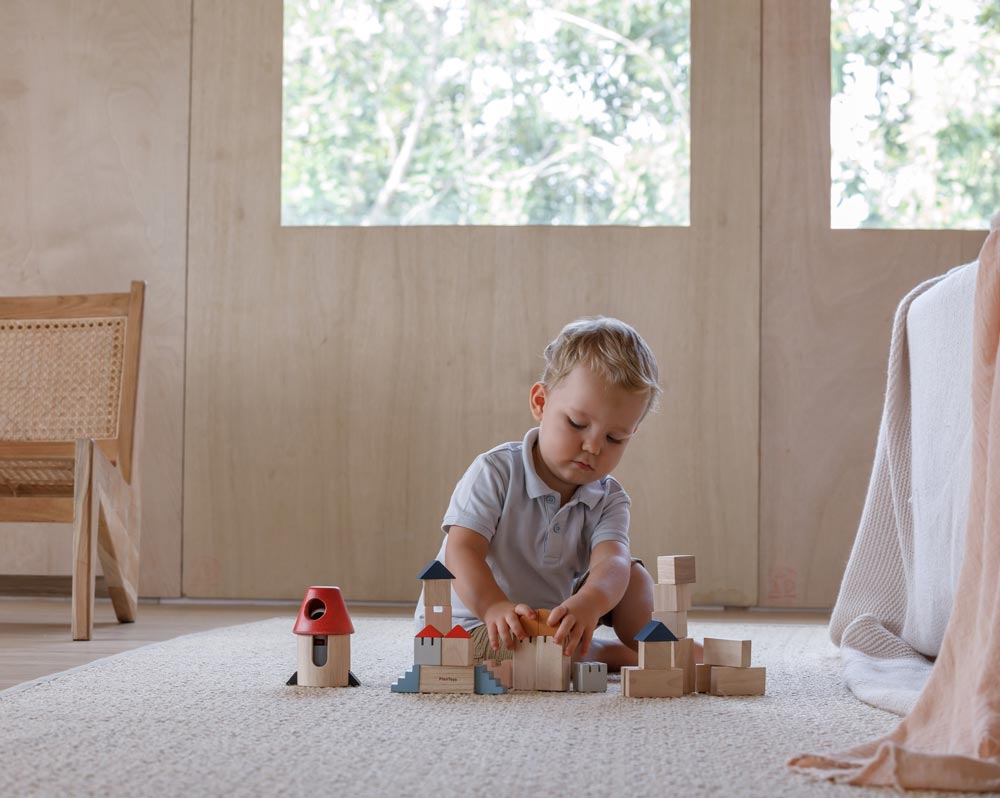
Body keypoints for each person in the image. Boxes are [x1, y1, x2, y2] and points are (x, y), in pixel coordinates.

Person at [416, 316, 660, 670]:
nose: (593, 446)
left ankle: (659, 648)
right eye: (577, 424)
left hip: (549, 622)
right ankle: (605, 655)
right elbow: (462, 549)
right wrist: (493, 606)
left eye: (614, 438)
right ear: (540, 403)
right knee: (526, 660)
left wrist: (590, 601)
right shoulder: (496, 471)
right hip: (474, 626)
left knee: (633, 576)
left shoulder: (608, 498)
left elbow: (613, 561)